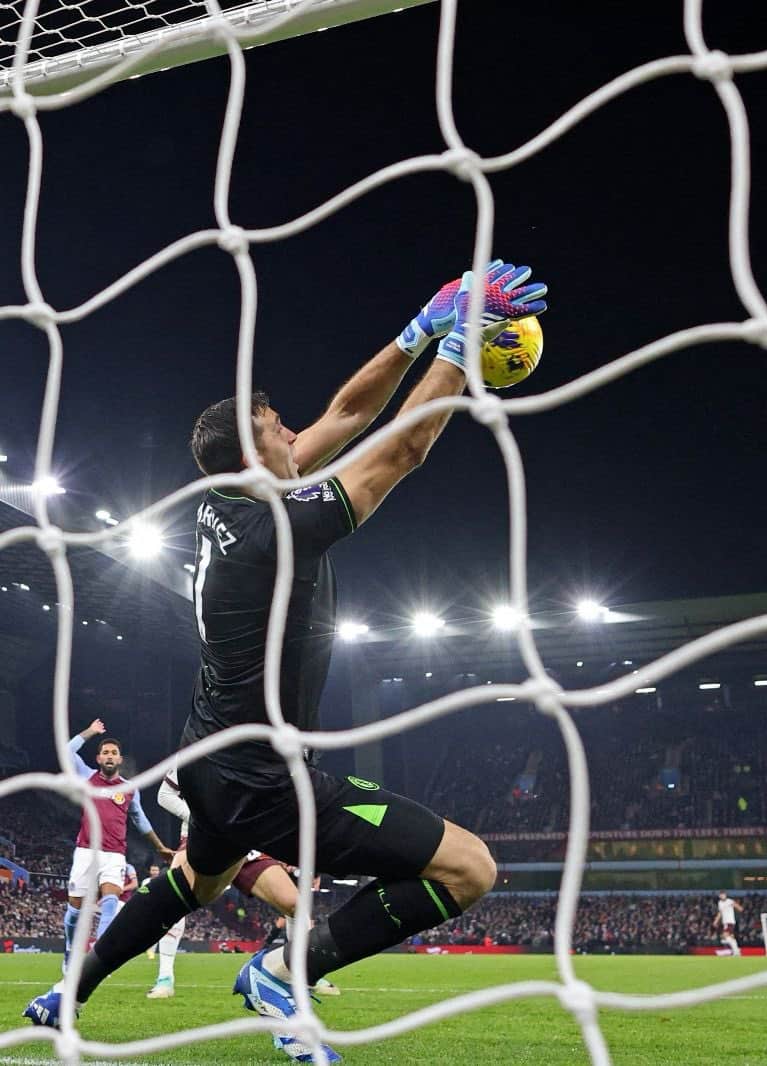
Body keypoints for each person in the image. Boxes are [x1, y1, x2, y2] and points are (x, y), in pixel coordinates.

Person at [24, 259, 548, 1063]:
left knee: (190, 884)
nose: (294, 432)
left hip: (207, 762)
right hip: (266, 778)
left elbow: (347, 410)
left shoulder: (224, 504)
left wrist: (422, 326)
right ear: (253, 453)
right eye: (277, 428)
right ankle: (280, 971)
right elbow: (400, 448)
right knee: (470, 868)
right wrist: (464, 352)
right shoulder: (279, 531)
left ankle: (70, 994)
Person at [147, 773, 338, 1000]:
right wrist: (202, 820)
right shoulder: (197, 748)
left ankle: (304, 973)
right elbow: (165, 795)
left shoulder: (257, 754)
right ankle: (165, 978)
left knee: (295, 904)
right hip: (201, 838)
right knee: (174, 899)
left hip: (245, 841)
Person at [62, 719, 174, 972]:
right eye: (105, 753)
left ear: (120, 759)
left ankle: (95, 956)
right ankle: (70, 950)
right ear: (99, 759)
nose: (110, 756)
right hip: (85, 851)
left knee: (111, 899)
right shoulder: (87, 776)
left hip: (115, 855)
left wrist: (159, 847)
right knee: (75, 913)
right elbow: (67, 751)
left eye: (114, 753)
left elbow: (140, 819)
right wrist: (90, 732)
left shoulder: (129, 789)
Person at [715, 892, 743, 957]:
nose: (722, 896)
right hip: (725, 922)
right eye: (721, 895)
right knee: (731, 937)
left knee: (725, 936)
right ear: (719, 896)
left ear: (725, 895)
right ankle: (737, 951)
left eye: (723, 895)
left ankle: (736, 951)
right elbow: (720, 913)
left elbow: (740, 908)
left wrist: (737, 906)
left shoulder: (729, 901)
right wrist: (716, 920)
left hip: (730, 921)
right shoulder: (720, 903)